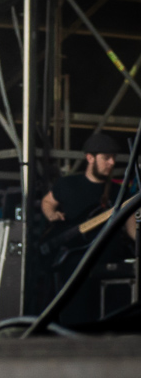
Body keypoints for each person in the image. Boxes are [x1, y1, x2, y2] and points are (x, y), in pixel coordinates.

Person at [41, 132, 136, 325]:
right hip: (73, 266)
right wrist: (51, 214)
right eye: (106, 158)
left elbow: (131, 227)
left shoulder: (119, 192)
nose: (111, 163)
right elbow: (47, 201)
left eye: (113, 158)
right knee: (76, 320)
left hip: (107, 266)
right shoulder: (68, 184)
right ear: (90, 158)